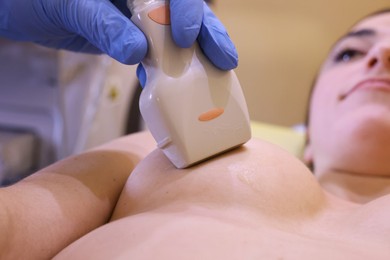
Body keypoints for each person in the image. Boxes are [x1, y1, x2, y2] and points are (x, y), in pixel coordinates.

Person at [1, 7, 390, 260]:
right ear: (309, 126)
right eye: (350, 54)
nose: (381, 56)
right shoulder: (163, 146)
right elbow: (13, 228)